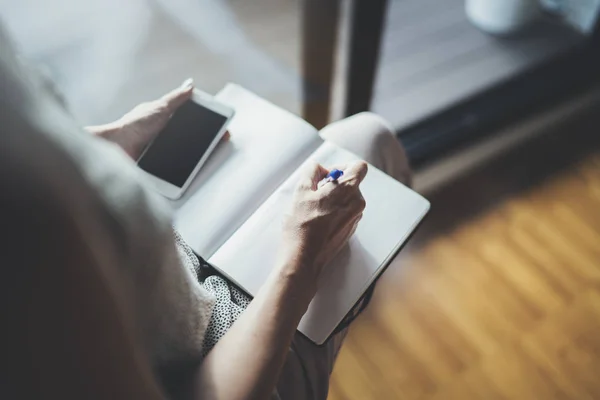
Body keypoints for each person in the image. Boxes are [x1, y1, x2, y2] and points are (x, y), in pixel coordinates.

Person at [0, 25, 411, 400]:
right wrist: (302, 259)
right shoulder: (31, 240)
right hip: (217, 354)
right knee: (370, 140)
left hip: (182, 265)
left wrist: (109, 140)